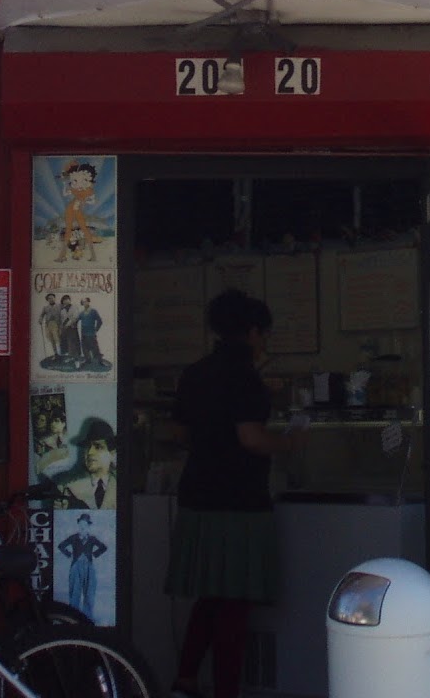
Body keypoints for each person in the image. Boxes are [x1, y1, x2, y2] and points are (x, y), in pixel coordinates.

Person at [166, 289, 303, 698]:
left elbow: (179, 433)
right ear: (253, 331)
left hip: (197, 494)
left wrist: (210, 444)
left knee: (211, 596)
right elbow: (251, 438)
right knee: (235, 604)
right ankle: (226, 691)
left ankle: (186, 679)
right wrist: (291, 442)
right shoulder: (245, 377)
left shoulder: (195, 372)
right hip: (239, 500)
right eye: (264, 333)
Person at [55, 512, 107, 621]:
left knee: (89, 592)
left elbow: (103, 547)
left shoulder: (92, 539)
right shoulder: (73, 537)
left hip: (89, 566)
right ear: (79, 525)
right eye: (81, 524)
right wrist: (69, 554)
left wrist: (95, 554)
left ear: (88, 526)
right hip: (76, 566)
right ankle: (73, 617)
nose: (83, 527)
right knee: (75, 592)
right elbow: (61, 546)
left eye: (85, 524)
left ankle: (87, 617)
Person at [59, 419, 119, 511]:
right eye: (87, 446)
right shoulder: (65, 485)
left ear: (112, 453)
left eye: (98, 447)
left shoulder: (123, 485)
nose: (90, 452)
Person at [76, 297, 109, 372]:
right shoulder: (81, 313)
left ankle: (100, 362)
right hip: (83, 333)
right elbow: (76, 320)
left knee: (95, 348)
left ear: (88, 302)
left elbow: (100, 321)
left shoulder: (93, 311)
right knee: (85, 348)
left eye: (86, 301)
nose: (84, 303)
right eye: (83, 302)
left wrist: (95, 330)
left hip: (91, 334)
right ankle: (88, 360)